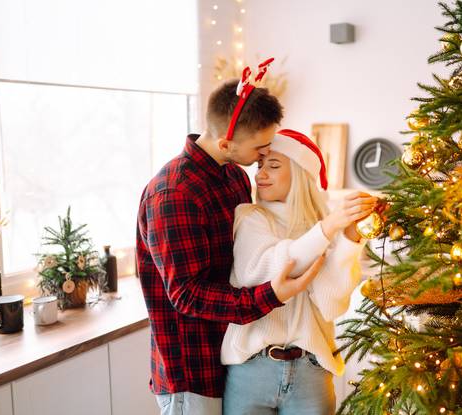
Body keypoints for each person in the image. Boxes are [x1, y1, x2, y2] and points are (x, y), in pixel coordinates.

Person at [136, 70, 325, 415]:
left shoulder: (235, 176)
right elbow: (186, 294)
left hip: (232, 357)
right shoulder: (174, 193)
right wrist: (271, 295)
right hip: (192, 371)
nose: (265, 153)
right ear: (226, 144)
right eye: (259, 147)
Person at [221, 129, 377, 414]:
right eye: (260, 166)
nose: (260, 174)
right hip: (252, 371)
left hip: (311, 374)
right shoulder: (250, 216)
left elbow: (331, 304)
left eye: (274, 165)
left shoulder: (320, 228)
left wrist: (351, 238)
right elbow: (262, 272)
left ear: (301, 173)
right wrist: (329, 228)